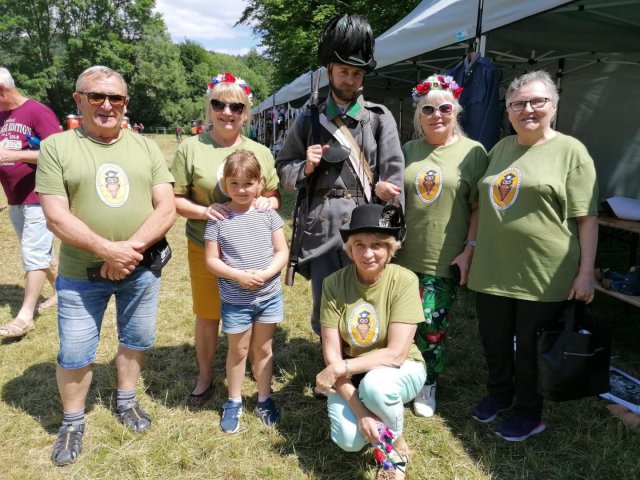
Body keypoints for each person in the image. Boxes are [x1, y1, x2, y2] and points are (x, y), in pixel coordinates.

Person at [36, 65, 176, 465]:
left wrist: (128, 250)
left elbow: (166, 207)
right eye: (96, 96)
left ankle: (127, 400)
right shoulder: (57, 147)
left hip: (141, 269)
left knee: (136, 338)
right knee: (76, 352)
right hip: (82, 274)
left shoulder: (146, 147)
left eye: (116, 98)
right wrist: (106, 250)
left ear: (126, 103)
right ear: (78, 99)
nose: (107, 105)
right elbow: (55, 217)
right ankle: (73, 421)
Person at [468, 70, 598, 441]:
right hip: (492, 267)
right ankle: (499, 394)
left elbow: (587, 220)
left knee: (530, 346)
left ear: (553, 106)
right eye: (518, 103)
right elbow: (479, 207)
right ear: (507, 111)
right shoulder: (500, 148)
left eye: (537, 101)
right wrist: (471, 249)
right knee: (493, 339)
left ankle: (529, 412)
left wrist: (585, 272)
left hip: (544, 271)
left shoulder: (571, 152)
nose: (528, 109)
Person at [277, 14, 404, 335]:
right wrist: (304, 166)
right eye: (343, 71)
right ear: (329, 71)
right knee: (326, 305)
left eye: (356, 73)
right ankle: (332, 369)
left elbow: (394, 172)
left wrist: (390, 195)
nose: (349, 79)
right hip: (322, 227)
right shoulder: (309, 118)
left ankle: (360, 370)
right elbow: (284, 166)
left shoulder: (378, 119)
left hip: (366, 226)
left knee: (366, 303)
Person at [170, 72, 280, 407]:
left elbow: (275, 196)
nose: (227, 111)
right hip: (206, 246)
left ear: (246, 111)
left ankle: (251, 367)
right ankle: (206, 374)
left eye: (236, 105)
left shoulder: (260, 151)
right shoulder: (190, 148)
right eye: (219, 104)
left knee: (250, 310)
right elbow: (174, 199)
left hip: (253, 251)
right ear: (209, 107)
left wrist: (266, 201)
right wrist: (205, 213)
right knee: (208, 313)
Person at [394, 75, 488, 417]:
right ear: (419, 115)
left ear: (456, 112)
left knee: (432, 325)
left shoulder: (473, 152)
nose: (437, 114)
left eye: (445, 108)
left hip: (443, 256)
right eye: (428, 109)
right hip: (403, 254)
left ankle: (427, 383)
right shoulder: (408, 151)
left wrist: (470, 248)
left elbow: (478, 207)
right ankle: (402, 376)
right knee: (401, 321)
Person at [316, 203, 426, 480]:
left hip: (401, 369)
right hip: (353, 373)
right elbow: (332, 356)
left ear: (390, 248)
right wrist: (361, 412)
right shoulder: (333, 283)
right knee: (350, 441)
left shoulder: (404, 280)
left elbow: (396, 354)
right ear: (349, 248)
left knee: (377, 386)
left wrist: (341, 369)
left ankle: (395, 450)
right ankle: (377, 416)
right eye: (359, 244)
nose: (367, 254)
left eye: (377, 245)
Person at [204, 150, 288, 434]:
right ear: (225, 184)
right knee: (238, 350)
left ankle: (264, 399)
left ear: (259, 182)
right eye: (234, 184)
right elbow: (212, 260)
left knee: (263, 349)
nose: (241, 190)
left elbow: (282, 251)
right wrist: (238, 276)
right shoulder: (218, 217)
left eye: (248, 183)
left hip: (268, 297)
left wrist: (265, 274)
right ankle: (234, 400)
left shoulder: (268, 214)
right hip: (235, 300)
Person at [0, 67, 59, 338]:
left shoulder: (37, 112)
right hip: (14, 197)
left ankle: (25, 316)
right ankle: (62, 291)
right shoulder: (1, 116)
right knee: (39, 251)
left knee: (33, 254)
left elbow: (57, 152)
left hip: (38, 195)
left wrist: (17, 154)